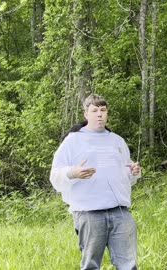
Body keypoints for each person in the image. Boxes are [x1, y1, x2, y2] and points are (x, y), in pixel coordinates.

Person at [50, 94, 141, 270]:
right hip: (89, 214)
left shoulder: (117, 141)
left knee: (128, 265)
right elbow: (54, 176)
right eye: (94, 110)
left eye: (103, 110)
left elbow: (126, 178)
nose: (99, 114)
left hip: (120, 212)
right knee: (91, 265)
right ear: (86, 114)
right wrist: (72, 172)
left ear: (107, 113)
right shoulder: (73, 140)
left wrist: (134, 172)